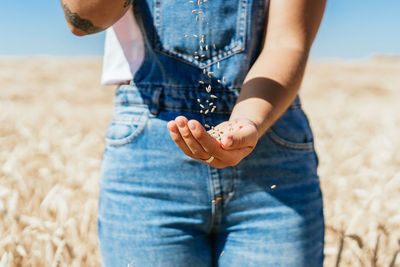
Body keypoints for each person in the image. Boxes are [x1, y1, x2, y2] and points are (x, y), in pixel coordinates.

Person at [61, 0, 326, 266]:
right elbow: (83, 19)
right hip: (149, 164)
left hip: (271, 148)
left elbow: (288, 42)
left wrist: (247, 120)